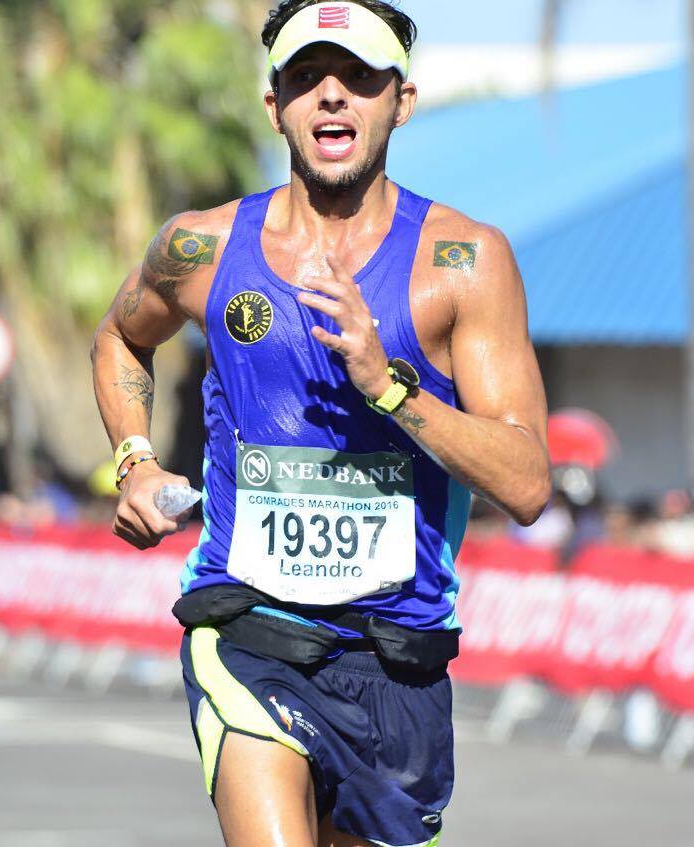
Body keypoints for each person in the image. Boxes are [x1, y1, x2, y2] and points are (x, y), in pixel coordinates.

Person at [89, 3, 551, 845]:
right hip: (248, 629)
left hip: (398, 659)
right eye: (306, 78)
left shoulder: (463, 263)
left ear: (400, 101)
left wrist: (389, 387)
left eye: (359, 79)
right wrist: (134, 460)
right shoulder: (199, 248)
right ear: (275, 106)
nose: (332, 97)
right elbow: (122, 334)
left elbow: (525, 483)